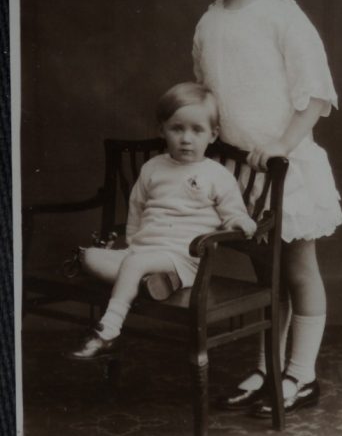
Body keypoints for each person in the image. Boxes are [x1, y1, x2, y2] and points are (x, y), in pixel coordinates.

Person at [193, 0, 342, 416]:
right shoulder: (209, 21)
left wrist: (283, 143)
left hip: (283, 167)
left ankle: (301, 375)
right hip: (238, 172)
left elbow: (317, 95)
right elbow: (207, 95)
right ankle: (268, 368)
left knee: (297, 269)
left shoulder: (283, 14)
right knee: (266, 276)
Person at [69, 82, 256, 360]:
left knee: (132, 264)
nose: (186, 139)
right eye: (177, 129)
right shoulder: (152, 168)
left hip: (183, 258)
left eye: (197, 130)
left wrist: (241, 221)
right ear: (162, 130)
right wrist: (133, 243)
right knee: (90, 257)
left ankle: (108, 330)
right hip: (146, 254)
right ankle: (148, 283)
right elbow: (137, 208)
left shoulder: (216, 175)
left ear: (213, 134)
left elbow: (233, 212)